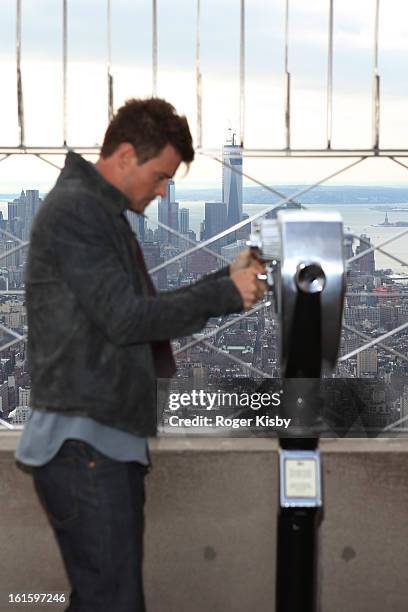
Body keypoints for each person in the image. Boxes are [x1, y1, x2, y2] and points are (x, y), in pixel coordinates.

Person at [16, 97, 266, 612]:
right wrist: (224, 294)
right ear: (125, 155)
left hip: (97, 444)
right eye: (159, 176)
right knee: (114, 603)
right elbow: (127, 320)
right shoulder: (77, 214)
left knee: (101, 599)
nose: (162, 190)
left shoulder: (96, 213)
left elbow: (136, 309)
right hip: (86, 448)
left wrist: (226, 278)